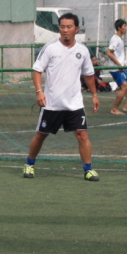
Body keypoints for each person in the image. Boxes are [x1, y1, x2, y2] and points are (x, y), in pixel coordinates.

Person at [22, 13, 100, 181]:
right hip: (52, 104)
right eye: (62, 27)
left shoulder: (83, 50)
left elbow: (88, 75)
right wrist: (39, 91)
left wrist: (94, 94)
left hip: (74, 104)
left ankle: (88, 169)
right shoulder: (50, 48)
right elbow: (37, 70)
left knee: (82, 135)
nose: (65, 30)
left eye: (69, 27)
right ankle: (29, 164)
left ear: (76, 29)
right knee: (41, 135)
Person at [107, 19, 127, 115]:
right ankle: (114, 108)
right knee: (124, 87)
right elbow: (109, 53)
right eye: (124, 26)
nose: (126, 28)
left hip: (120, 67)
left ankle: (126, 106)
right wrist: (118, 64)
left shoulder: (120, 39)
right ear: (119, 28)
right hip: (115, 68)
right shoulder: (115, 39)